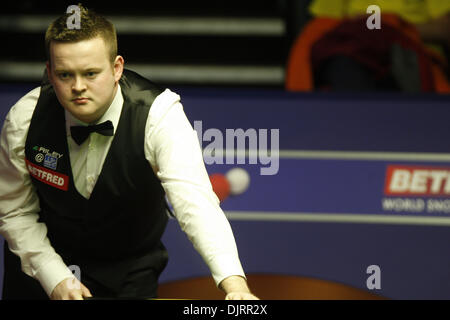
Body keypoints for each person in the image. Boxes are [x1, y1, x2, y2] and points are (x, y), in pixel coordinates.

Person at [0, 5, 258, 300]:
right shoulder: (24, 119)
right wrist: (54, 275)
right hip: (39, 266)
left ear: (117, 68)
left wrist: (235, 286)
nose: (78, 87)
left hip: (127, 272)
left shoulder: (159, 116)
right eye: (64, 75)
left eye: (91, 73)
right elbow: (14, 211)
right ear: (49, 72)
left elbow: (194, 201)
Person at [285, 0, 450, 93]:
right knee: (343, 58)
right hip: (356, 50)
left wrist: (392, 27)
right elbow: (323, 25)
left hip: (411, 54)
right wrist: (365, 27)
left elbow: (445, 28)